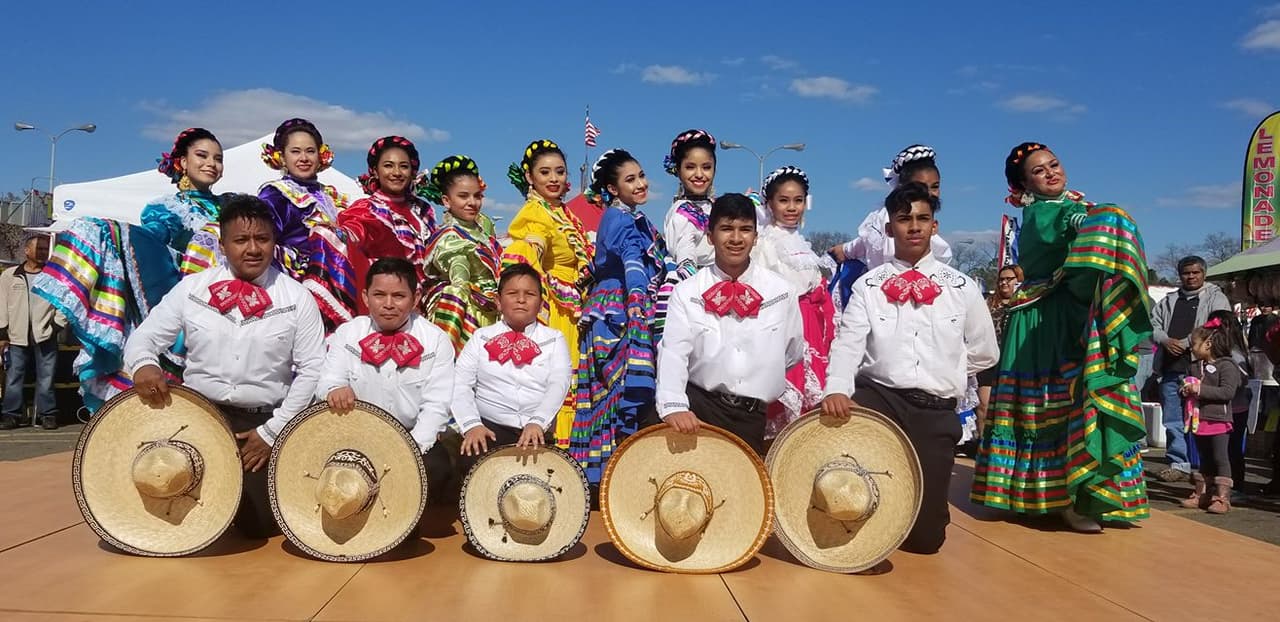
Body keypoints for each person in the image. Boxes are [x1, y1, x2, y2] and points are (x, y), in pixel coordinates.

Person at [970, 142, 1152, 532]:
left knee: (1078, 394)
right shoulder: (1041, 213)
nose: (1051, 172)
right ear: (1025, 185)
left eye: (1054, 164)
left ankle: (1089, 494)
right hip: (1042, 319)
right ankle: (1069, 497)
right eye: (1039, 171)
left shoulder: (1070, 206)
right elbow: (1070, 223)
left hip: (1070, 312)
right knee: (1056, 400)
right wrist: (1100, 218)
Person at [123, 194, 327, 538]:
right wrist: (144, 366)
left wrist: (272, 432)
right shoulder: (192, 289)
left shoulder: (296, 298)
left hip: (262, 423)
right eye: (241, 240)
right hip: (198, 419)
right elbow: (142, 340)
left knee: (259, 524)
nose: (252, 249)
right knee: (170, 504)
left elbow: (312, 370)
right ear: (222, 244)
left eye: (262, 239)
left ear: (273, 242)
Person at [821, 181, 998, 554]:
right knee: (855, 499)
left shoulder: (962, 287)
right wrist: (837, 387)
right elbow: (849, 342)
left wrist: (948, 371)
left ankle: (922, 519)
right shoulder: (869, 285)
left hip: (934, 410)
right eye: (904, 219)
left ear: (935, 226)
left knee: (925, 540)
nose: (914, 226)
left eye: (922, 218)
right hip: (880, 399)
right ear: (890, 229)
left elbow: (985, 353)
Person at [33, 128, 227, 411]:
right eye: (202, 155)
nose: (211, 163)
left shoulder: (230, 206)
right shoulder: (168, 208)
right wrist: (109, 234)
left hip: (226, 294)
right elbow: (153, 239)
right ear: (183, 162)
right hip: (183, 289)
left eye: (218, 158)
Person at [650, 193, 804, 455]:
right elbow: (673, 352)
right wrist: (675, 406)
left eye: (745, 229)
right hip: (698, 413)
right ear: (710, 236)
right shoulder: (687, 292)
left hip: (752, 417)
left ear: (756, 237)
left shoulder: (781, 293)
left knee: (746, 493)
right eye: (726, 229)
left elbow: (791, 352)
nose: (736, 238)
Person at [570, 149, 671, 485]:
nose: (641, 183)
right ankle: (614, 477)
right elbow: (631, 259)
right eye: (630, 179)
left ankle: (609, 474)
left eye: (641, 175)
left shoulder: (630, 217)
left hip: (620, 305)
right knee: (619, 389)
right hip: (618, 308)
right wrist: (638, 298)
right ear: (612, 189)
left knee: (610, 393)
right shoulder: (620, 219)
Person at [316, 257, 455, 498]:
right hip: (355, 438)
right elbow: (328, 379)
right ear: (365, 296)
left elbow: (437, 406)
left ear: (416, 298)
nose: (388, 304)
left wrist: (408, 450)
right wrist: (335, 388)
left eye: (399, 296)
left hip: (410, 437)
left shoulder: (435, 340)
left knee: (436, 468)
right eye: (379, 295)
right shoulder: (348, 334)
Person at [501, 139, 593, 446]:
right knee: (558, 379)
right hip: (556, 307)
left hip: (574, 304)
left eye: (559, 171)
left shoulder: (564, 213)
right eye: (545, 172)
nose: (553, 179)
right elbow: (530, 248)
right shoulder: (536, 213)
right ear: (530, 177)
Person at [453, 263, 572, 473]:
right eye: (512, 293)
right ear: (498, 301)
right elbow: (460, 384)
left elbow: (558, 383)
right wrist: (472, 425)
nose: (521, 299)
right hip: (490, 430)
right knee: (470, 460)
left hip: (537, 432)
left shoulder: (554, 339)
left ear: (540, 303)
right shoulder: (481, 338)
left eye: (530, 294)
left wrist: (538, 422)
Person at [750, 166, 835, 436]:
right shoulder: (765, 243)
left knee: (806, 418)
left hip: (811, 331)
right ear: (770, 204)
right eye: (784, 200)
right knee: (781, 407)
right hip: (783, 328)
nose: (791, 207)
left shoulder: (802, 243)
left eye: (798, 200)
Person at [255, 118, 354, 329]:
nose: (304, 158)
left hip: (338, 274)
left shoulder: (330, 196)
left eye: (310, 151)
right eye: (295, 151)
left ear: (321, 155)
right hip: (297, 277)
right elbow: (262, 236)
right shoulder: (276, 193)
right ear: (281, 157)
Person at [828, 144, 953, 310]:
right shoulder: (887, 219)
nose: (929, 192)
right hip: (889, 297)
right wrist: (844, 250)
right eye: (920, 186)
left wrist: (845, 249)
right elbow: (872, 247)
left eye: (935, 186)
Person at [335, 136, 437, 319]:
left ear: (413, 171)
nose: (396, 172)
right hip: (389, 305)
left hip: (427, 300)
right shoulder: (366, 209)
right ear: (375, 171)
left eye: (404, 166)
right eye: (388, 165)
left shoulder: (423, 210)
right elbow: (352, 234)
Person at [1151, 256, 1231, 482]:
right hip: (1171, 367)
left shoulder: (1216, 297)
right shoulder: (1169, 300)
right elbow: (1152, 324)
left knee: (1203, 417)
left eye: (1196, 272)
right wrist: (1165, 340)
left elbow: (1217, 325)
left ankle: (1207, 468)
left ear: (1203, 273)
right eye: (1187, 273)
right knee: (1172, 419)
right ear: (1180, 275)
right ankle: (1179, 463)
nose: (1191, 276)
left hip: (1202, 368)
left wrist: (1187, 342)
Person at [417, 155, 501, 353]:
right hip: (467, 310)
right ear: (446, 200)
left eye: (477, 196)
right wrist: (463, 287)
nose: (472, 202)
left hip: (494, 307)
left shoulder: (484, 231)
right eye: (463, 196)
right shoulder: (449, 236)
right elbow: (458, 265)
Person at [1178, 318, 1246, 513]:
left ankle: (1222, 497)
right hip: (1199, 421)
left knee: (1220, 458)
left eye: (1194, 345)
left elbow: (1227, 392)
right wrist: (1184, 390)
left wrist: (1199, 390)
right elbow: (1185, 385)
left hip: (1219, 420)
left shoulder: (1227, 366)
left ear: (1208, 344)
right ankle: (1202, 493)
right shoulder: (1195, 366)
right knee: (1204, 458)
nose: (1191, 348)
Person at [0, 233, 67, 430]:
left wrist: (56, 325)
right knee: (14, 377)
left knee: (46, 378)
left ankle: (47, 415)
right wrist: (3, 333)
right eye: (38, 249)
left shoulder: (54, 276)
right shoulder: (9, 276)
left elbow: (64, 303)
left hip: (45, 334)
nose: (42, 253)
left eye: (46, 249)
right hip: (16, 336)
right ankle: (11, 415)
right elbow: (2, 304)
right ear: (26, 251)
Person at [974, 264, 1024, 440]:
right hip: (989, 362)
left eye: (1008, 279)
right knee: (984, 406)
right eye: (1001, 279)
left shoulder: (1024, 303)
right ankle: (982, 447)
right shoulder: (987, 302)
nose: (1004, 283)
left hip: (1014, 362)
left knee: (1009, 409)